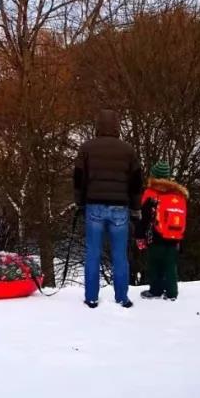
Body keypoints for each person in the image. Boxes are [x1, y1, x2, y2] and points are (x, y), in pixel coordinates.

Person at [73, 109, 143, 309]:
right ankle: (122, 297)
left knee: (93, 253)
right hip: (120, 207)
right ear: (117, 127)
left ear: (97, 126)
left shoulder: (87, 148)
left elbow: (78, 178)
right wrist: (136, 208)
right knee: (120, 255)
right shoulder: (128, 150)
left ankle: (91, 297)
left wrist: (79, 202)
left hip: (94, 205)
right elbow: (136, 182)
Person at [136, 160, 188, 301]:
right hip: (175, 236)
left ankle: (156, 290)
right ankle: (172, 293)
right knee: (170, 265)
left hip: (156, 235)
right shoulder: (179, 194)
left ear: (154, 176)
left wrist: (140, 236)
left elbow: (144, 217)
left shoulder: (150, 193)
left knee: (154, 264)